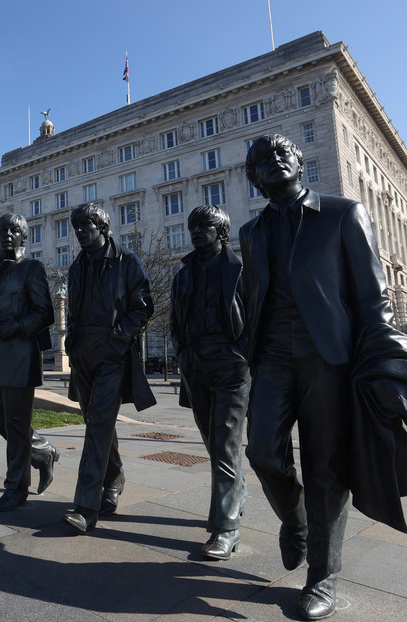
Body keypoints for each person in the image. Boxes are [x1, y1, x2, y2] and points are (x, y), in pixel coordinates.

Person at [239, 134, 394, 620]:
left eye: (282, 153)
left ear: (300, 164)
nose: (275, 160)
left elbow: (373, 295)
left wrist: (381, 356)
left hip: (328, 356)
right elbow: (251, 296)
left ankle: (322, 575)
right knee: (263, 453)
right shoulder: (251, 231)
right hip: (272, 357)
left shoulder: (343, 214)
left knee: (326, 466)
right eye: (263, 159)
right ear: (254, 178)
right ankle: (297, 520)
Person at [63, 202, 155, 533]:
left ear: (102, 227)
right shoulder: (76, 267)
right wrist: (71, 344)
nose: (79, 232)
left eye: (85, 226)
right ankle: (114, 479)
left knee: (98, 425)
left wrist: (118, 339)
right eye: (76, 227)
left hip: (112, 356)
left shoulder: (127, 261)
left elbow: (142, 307)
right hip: (82, 358)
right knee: (97, 423)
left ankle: (86, 507)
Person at [169, 204, 250, 561]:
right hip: (196, 366)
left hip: (231, 367)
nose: (197, 232)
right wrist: (183, 354)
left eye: (205, 226)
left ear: (223, 232)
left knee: (224, 445)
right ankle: (237, 494)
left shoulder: (240, 270)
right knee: (214, 444)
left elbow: (256, 317)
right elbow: (175, 322)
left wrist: (243, 356)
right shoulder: (183, 275)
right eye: (193, 227)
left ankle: (226, 528)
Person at [0, 213, 60, 512]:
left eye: (14, 230)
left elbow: (45, 313)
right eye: (2, 230)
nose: (7, 234)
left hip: (19, 355)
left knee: (17, 425)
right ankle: (43, 451)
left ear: (24, 237)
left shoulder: (31, 268)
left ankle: (16, 488)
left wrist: (16, 325)